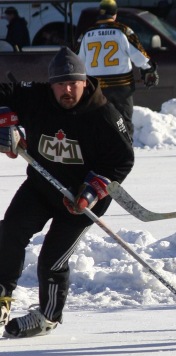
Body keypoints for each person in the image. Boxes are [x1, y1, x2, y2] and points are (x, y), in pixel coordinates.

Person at [0, 46, 134, 338]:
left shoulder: (104, 115)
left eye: (74, 82)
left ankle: (48, 317)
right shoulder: (36, 97)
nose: (67, 89)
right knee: (9, 231)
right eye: (61, 83)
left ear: (85, 81)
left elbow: (122, 160)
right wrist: (6, 121)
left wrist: (92, 190)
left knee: (52, 258)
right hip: (41, 186)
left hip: (81, 200)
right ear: (51, 84)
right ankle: (2, 297)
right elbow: (5, 93)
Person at [76, 0, 159, 139]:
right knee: (123, 124)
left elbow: (78, 61)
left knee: (99, 123)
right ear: (115, 14)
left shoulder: (86, 34)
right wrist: (149, 69)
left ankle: (100, 155)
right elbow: (139, 55)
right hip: (121, 87)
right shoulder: (123, 31)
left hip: (96, 88)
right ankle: (124, 154)